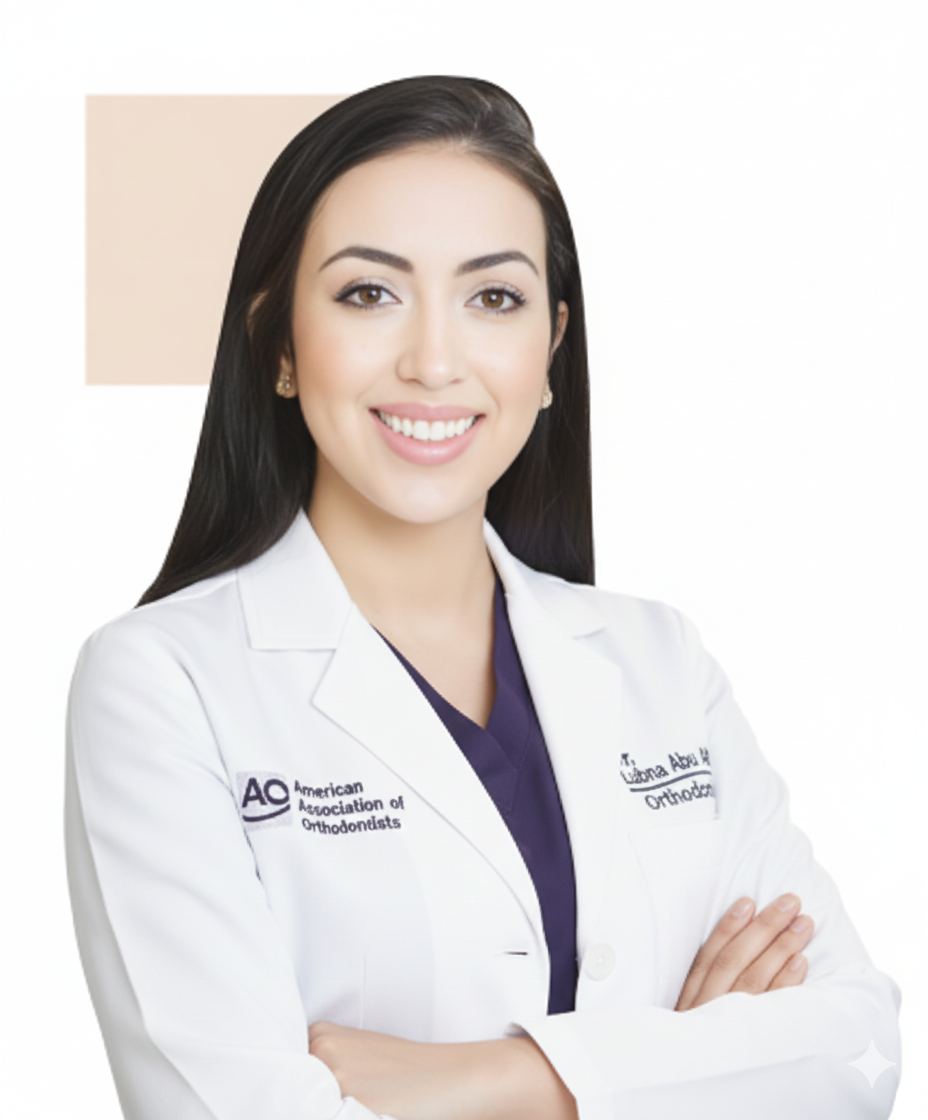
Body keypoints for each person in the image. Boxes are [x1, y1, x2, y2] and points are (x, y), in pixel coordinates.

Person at [66, 76, 901, 1120]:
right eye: (368, 293)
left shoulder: (659, 659)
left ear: (551, 349)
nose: (433, 361)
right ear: (279, 342)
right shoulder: (161, 683)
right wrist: (694, 1065)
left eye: (494, 298)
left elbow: (857, 1051)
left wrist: (505, 1077)